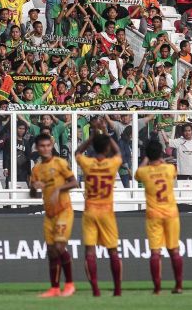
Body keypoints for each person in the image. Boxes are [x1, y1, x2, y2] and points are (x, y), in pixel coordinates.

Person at [75, 120, 122, 297]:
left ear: (93, 147)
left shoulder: (88, 164)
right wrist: (106, 135)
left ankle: (95, 289)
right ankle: (117, 289)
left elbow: (77, 152)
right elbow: (118, 152)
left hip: (90, 212)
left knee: (90, 251)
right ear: (107, 149)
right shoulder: (112, 164)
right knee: (113, 251)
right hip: (107, 212)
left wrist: (93, 137)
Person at [30, 134, 78, 298]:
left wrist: (59, 189)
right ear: (37, 148)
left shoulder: (60, 163)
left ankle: (70, 284)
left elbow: (74, 182)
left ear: (51, 145)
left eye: (48, 145)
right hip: (49, 214)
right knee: (51, 251)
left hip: (64, 210)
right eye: (42, 146)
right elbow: (33, 194)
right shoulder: (36, 169)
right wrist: (34, 188)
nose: (45, 148)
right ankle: (54, 288)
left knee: (59, 247)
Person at [135, 140, 183, 294]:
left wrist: (146, 158)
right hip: (171, 214)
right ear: (161, 153)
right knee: (174, 250)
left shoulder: (144, 172)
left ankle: (157, 288)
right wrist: (160, 158)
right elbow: (173, 171)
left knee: (155, 252)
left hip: (153, 215)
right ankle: (179, 286)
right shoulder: (169, 168)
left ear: (147, 155)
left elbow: (136, 175)